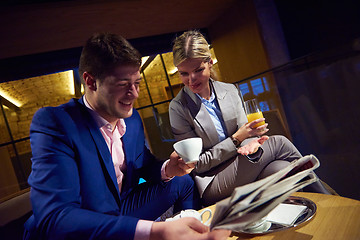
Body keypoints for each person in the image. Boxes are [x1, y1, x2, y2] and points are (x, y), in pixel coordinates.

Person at [23, 33, 231, 240]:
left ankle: (193, 232)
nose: (134, 93)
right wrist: (155, 231)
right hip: (82, 223)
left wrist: (169, 168)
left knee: (182, 181)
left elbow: (142, 164)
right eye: (123, 84)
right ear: (91, 81)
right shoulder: (56, 122)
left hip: (121, 207)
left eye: (137, 83)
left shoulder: (131, 121)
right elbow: (55, 217)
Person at [169, 30, 330, 206]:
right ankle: (330, 202)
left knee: (281, 168)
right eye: (184, 73)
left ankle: (311, 219)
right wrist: (237, 139)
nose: (191, 79)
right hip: (213, 181)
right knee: (280, 143)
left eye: (198, 70)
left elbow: (246, 136)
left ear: (210, 63)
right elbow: (197, 164)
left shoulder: (230, 90)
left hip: (244, 165)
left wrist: (252, 143)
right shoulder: (178, 108)